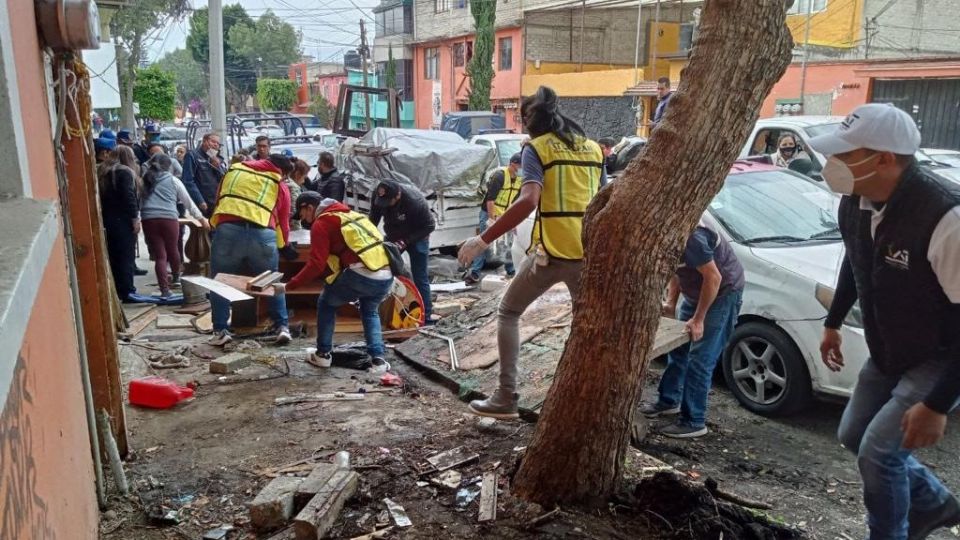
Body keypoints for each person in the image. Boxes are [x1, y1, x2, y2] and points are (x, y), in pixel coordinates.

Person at [810, 103, 960, 540]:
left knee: (878, 454)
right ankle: (934, 503)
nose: (832, 164)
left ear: (884, 159)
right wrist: (833, 321)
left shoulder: (944, 217)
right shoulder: (855, 201)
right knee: (854, 434)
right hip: (889, 346)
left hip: (940, 352)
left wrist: (935, 405)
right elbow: (857, 262)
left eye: (844, 154)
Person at [457, 85, 605, 418]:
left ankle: (506, 397)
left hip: (552, 253)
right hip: (588, 254)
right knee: (587, 327)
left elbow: (528, 200)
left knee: (509, 312)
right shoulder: (594, 150)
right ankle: (583, 406)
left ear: (529, 120)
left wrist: (482, 240)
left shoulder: (536, 149)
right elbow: (603, 200)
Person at [640, 224, 744, 438]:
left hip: (722, 292)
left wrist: (699, 319)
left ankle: (693, 421)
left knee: (700, 358)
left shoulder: (692, 236)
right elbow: (676, 270)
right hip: (696, 291)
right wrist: (671, 302)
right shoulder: (662, 233)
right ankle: (669, 401)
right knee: (679, 348)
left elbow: (713, 278)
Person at [285, 192, 393, 373]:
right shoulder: (352, 215)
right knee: (370, 311)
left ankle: (323, 354)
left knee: (326, 303)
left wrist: (290, 285)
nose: (304, 220)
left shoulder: (322, 222)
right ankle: (379, 361)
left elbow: (316, 264)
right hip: (386, 275)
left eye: (303, 214)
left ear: (309, 207)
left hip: (360, 273)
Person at [208, 153, 295, 347]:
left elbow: (219, 199)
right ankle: (282, 327)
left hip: (228, 231)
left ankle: (220, 330)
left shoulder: (233, 171)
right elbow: (283, 220)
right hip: (262, 234)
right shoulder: (278, 183)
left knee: (220, 281)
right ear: (281, 171)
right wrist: (285, 245)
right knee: (270, 281)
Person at [139, 154, 209, 296]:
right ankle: (176, 278)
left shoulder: (144, 180)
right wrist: (201, 219)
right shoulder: (173, 180)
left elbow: (138, 201)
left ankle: (165, 290)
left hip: (148, 219)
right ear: (168, 166)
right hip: (168, 218)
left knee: (160, 256)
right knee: (173, 250)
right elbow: (188, 202)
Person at [369, 179, 436, 323]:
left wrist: (406, 241)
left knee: (420, 277)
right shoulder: (379, 195)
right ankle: (387, 313)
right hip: (394, 235)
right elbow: (373, 219)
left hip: (418, 236)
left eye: (388, 202)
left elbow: (430, 225)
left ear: (397, 196)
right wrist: (368, 236)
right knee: (385, 271)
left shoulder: (414, 201)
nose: (385, 205)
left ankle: (425, 317)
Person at [464, 153, 521, 284]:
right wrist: (491, 221)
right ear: (513, 164)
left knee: (507, 243)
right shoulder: (499, 176)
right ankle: (474, 273)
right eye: (520, 165)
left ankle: (511, 270)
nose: (522, 168)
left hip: (505, 214)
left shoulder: (520, 179)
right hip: (490, 213)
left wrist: (514, 221)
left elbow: (516, 201)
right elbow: (490, 200)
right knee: (484, 242)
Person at [97, 142, 140, 301]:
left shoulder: (102, 171)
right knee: (126, 256)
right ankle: (127, 290)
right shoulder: (124, 172)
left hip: (107, 218)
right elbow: (128, 196)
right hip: (123, 220)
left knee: (113, 255)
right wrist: (135, 218)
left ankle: (116, 289)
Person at [181, 132, 227, 217]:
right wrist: (199, 200)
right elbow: (188, 181)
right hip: (203, 201)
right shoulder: (193, 155)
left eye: (218, 144)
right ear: (204, 141)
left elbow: (225, 179)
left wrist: (218, 167)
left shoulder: (218, 159)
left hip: (217, 202)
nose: (216, 145)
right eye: (213, 142)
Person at [286, 157, 310, 230]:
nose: (303, 181)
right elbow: (294, 212)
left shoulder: (283, 182)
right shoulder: (293, 188)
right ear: (297, 174)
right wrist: (298, 231)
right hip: (290, 229)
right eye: (304, 177)